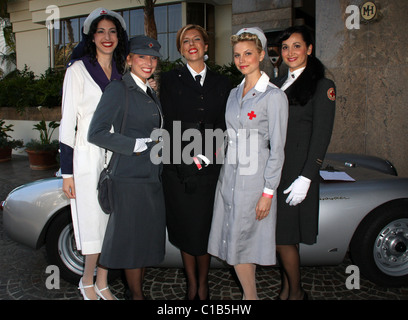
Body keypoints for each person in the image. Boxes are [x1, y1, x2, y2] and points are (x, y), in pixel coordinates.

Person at [207, 27, 289, 300]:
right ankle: (250, 296)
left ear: (262, 55)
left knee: (244, 241)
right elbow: (227, 138)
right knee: (235, 241)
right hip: (230, 177)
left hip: (255, 180)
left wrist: (268, 192)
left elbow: (278, 149)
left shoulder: (274, 96)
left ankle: (249, 297)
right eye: (237, 55)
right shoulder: (233, 93)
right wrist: (204, 156)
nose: (242, 60)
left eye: (248, 54)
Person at [88, 35, 165, 300]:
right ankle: (137, 296)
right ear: (129, 60)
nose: (148, 62)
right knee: (133, 245)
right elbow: (96, 133)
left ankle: (135, 294)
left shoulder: (149, 90)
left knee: (142, 243)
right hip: (129, 179)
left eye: (153, 58)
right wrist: (134, 145)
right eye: (142, 56)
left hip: (150, 177)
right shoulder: (118, 89)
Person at [59, 7, 127, 300]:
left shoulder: (123, 73)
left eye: (112, 31)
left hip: (117, 157)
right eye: (100, 31)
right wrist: (67, 172)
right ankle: (86, 281)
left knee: (111, 225)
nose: (107, 37)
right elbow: (67, 122)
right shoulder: (77, 71)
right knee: (91, 221)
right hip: (86, 158)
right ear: (92, 37)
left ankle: (102, 281)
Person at [160, 24, 231, 300]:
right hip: (177, 168)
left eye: (197, 40)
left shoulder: (223, 83)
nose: (192, 44)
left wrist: (206, 155)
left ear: (206, 46)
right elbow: (165, 125)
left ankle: (204, 283)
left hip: (211, 169)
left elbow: (225, 127)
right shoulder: (168, 79)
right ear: (180, 49)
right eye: (185, 41)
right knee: (185, 228)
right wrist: (183, 162)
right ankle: (192, 285)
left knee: (203, 228)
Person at [272, 26, 336, 300]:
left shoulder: (322, 86)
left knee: (284, 238)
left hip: (297, 174)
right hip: (276, 171)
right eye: (285, 48)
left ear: (309, 49)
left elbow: (322, 135)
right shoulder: (276, 84)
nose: (290, 53)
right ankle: (287, 289)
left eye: (297, 46)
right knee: (281, 236)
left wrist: (307, 176)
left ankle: (296, 293)